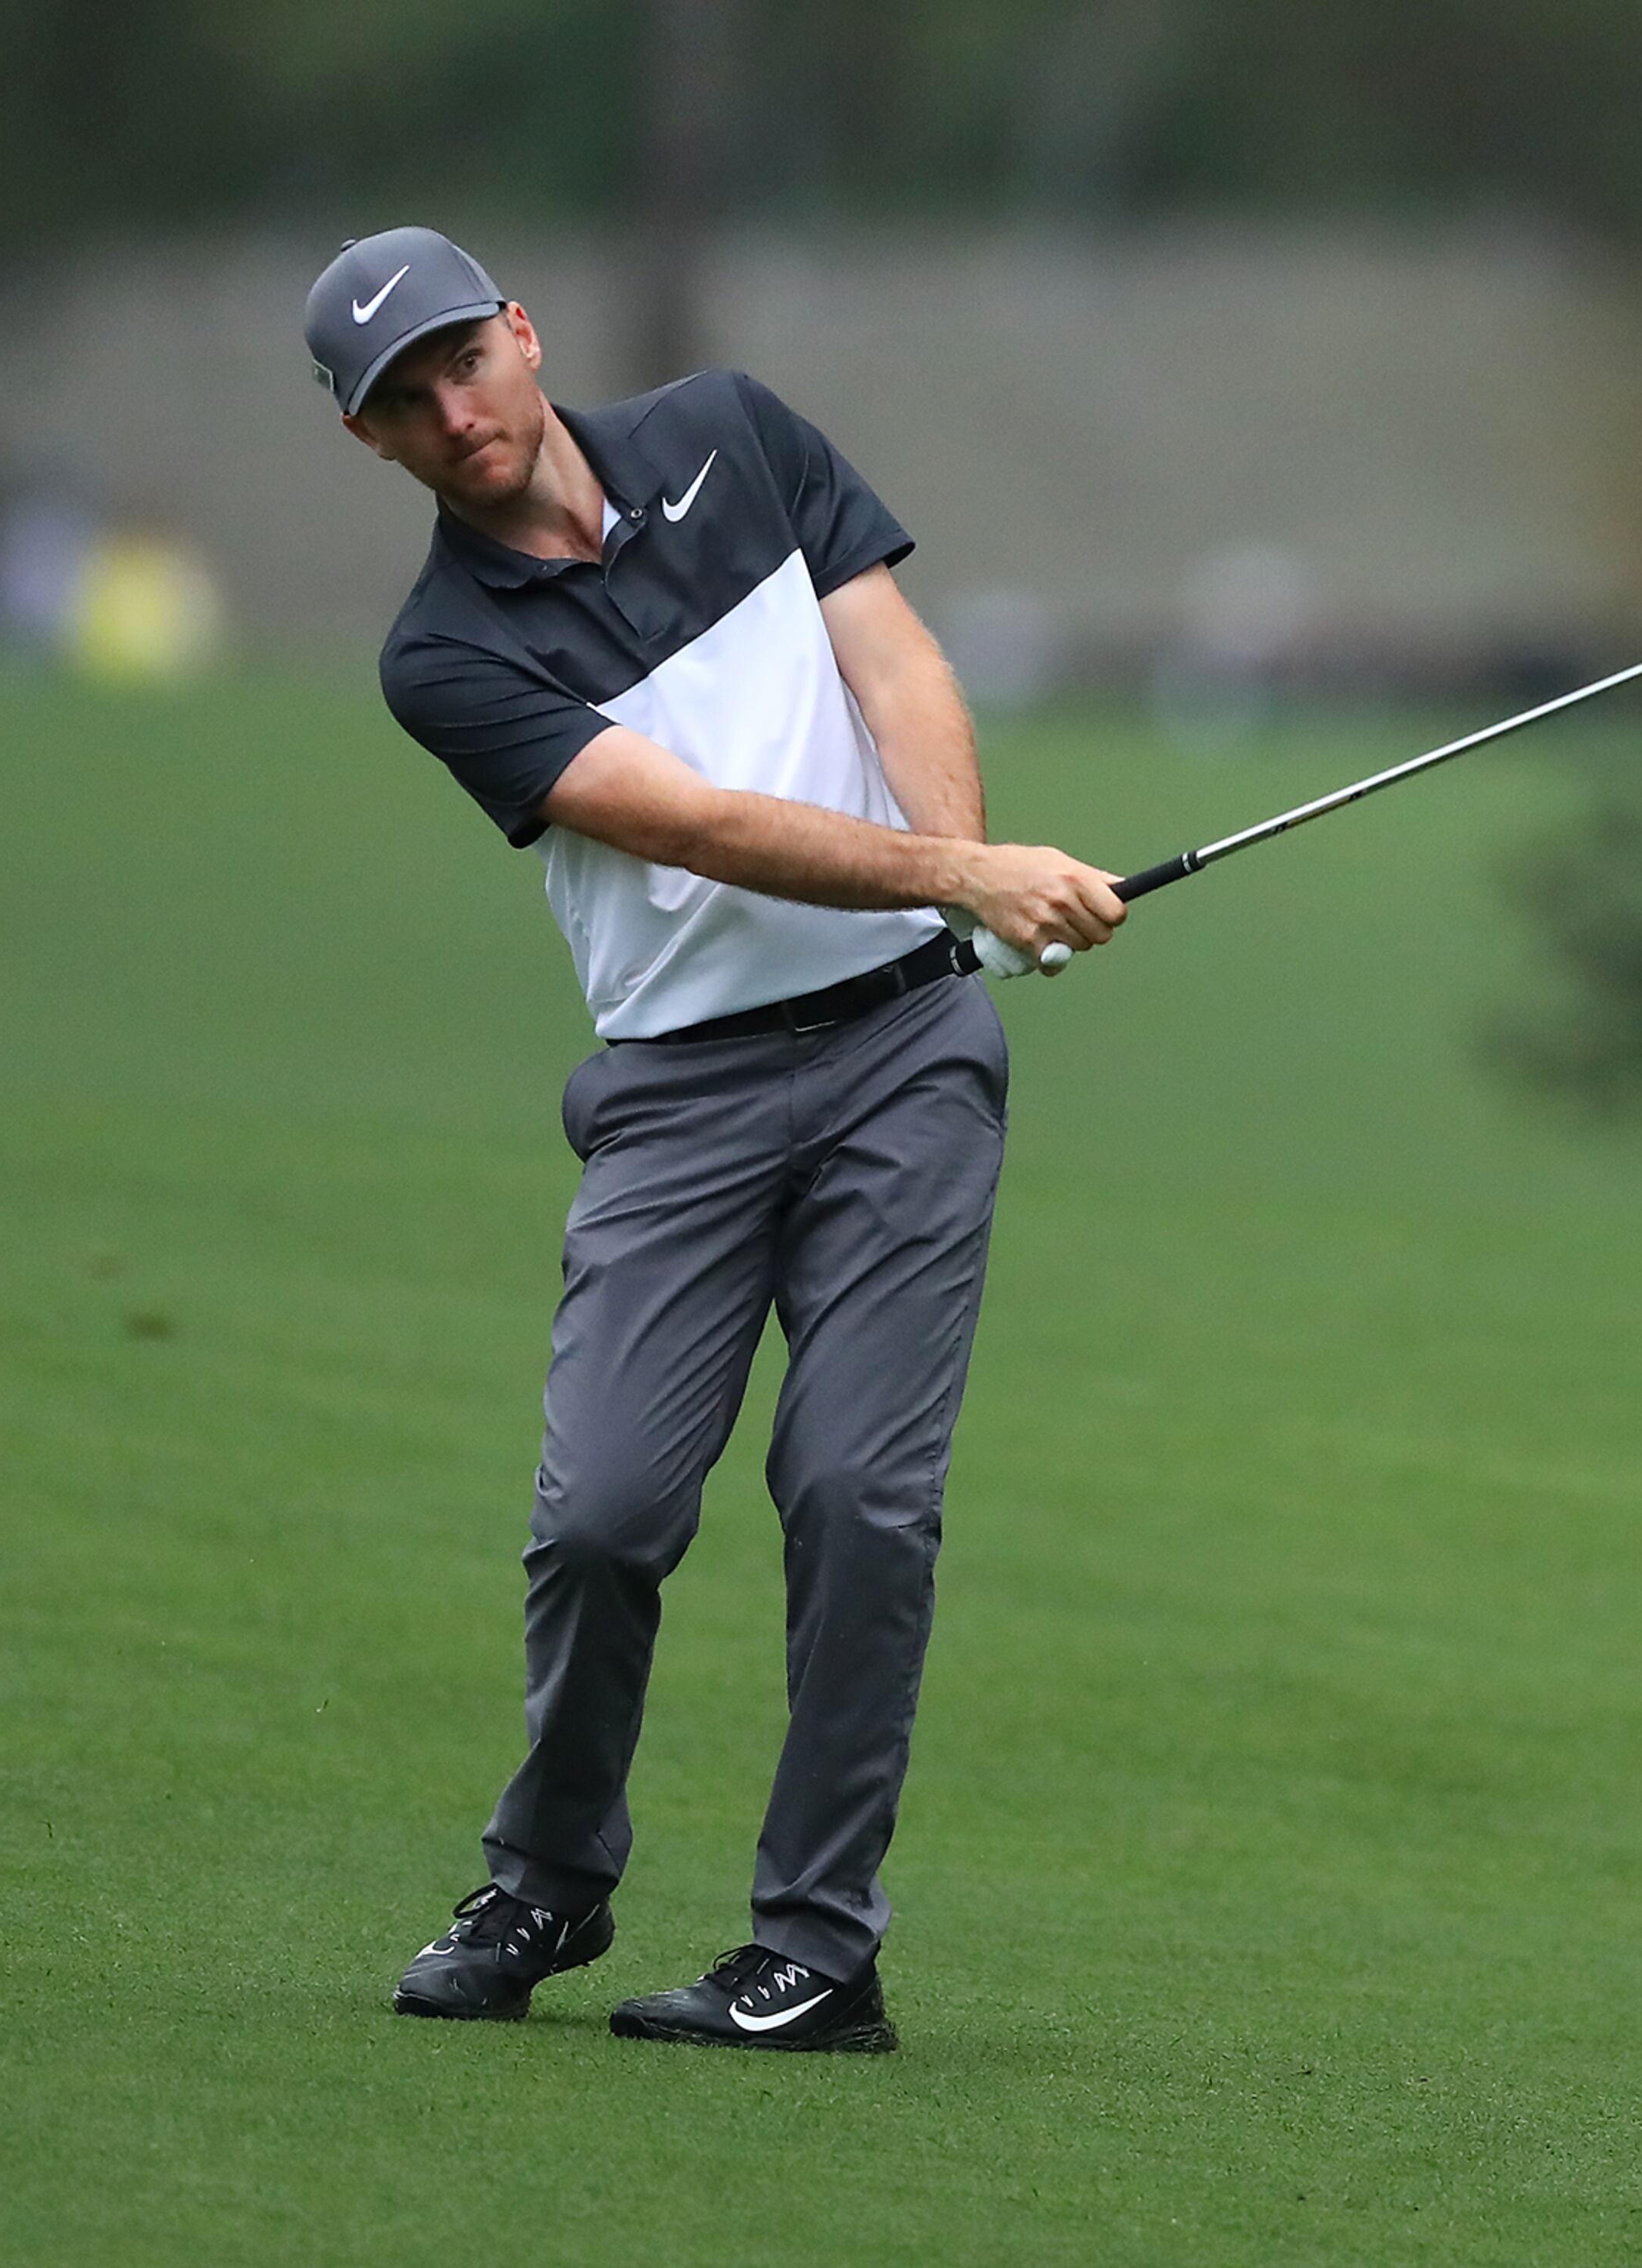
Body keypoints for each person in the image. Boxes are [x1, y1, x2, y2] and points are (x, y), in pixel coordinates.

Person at [304, 226, 1122, 2053]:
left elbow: (897, 670)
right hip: (680, 1096)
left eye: (463, 362)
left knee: (856, 1499)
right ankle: (548, 1879)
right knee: (601, 1514)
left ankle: (818, 1950)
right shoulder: (443, 655)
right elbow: (685, 822)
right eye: (403, 405)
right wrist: (961, 874)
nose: (454, 412)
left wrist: (961, 895)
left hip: (905, 1059)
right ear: (372, 446)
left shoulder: (735, 433)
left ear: (522, 331)